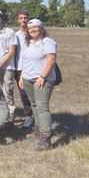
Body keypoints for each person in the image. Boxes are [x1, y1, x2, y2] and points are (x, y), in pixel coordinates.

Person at [19, 19, 57, 151]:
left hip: (42, 80)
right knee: (34, 104)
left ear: (41, 28)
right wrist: (22, 76)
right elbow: (26, 61)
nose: (32, 30)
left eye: (35, 27)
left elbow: (51, 60)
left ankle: (46, 138)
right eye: (30, 28)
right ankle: (40, 129)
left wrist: (42, 77)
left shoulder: (47, 41)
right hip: (28, 78)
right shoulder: (29, 43)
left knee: (42, 107)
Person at [14, 11, 34, 129]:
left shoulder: (32, 33)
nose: (23, 20)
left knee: (34, 93)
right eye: (21, 18)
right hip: (19, 68)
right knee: (23, 94)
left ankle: (37, 116)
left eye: (25, 18)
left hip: (32, 67)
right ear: (18, 20)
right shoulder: (15, 35)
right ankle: (28, 115)